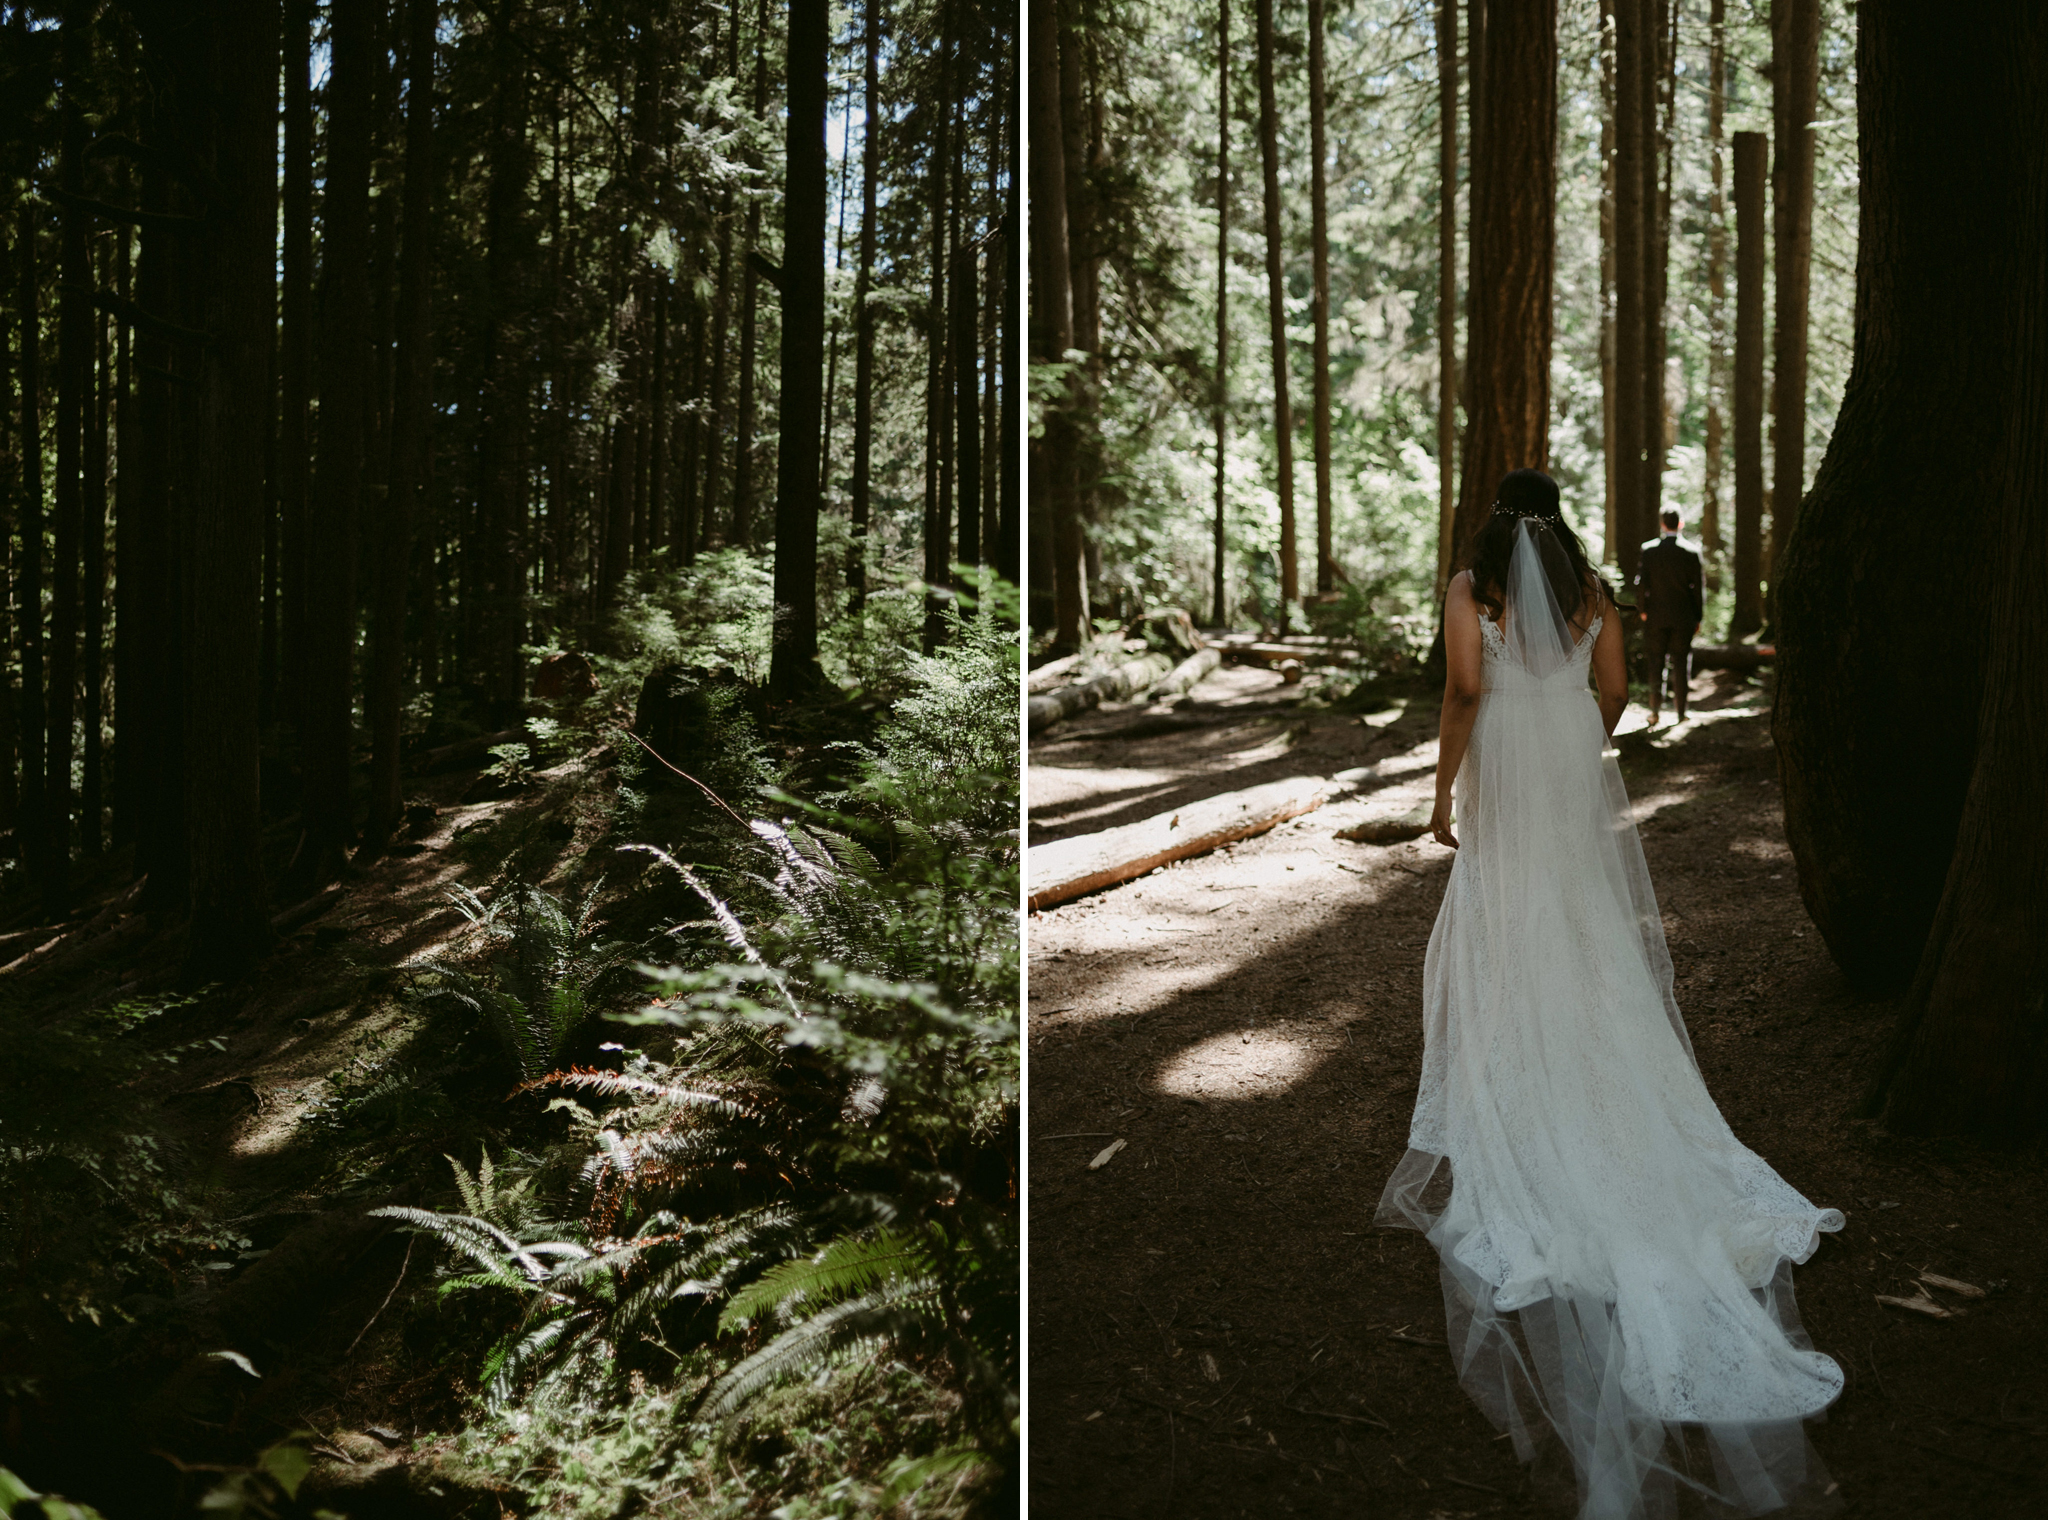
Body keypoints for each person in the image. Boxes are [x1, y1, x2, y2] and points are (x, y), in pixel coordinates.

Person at [1393, 470, 1842, 1520]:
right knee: (1584, 931)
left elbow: (1461, 690)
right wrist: (1574, 740)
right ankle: (1595, 1070)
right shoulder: (1592, 589)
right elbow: (1615, 690)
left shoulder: (1471, 588)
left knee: (1505, 919)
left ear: (1489, 525)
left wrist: (1439, 792)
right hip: (1559, 759)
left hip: (1502, 759)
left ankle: (1515, 1077)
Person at [1634, 509, 1704, 724]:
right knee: (1682, 664)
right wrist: (1698, 617)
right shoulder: (1691, 552)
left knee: (1656, 662)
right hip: (1683, 618)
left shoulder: (1649, 550)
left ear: (1663, 525)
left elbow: (1641, 583)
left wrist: (1643, 611)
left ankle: (1654, 711)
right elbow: (1698, 589)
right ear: (1680, 524)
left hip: (1655, 617)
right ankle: (1681, 713)